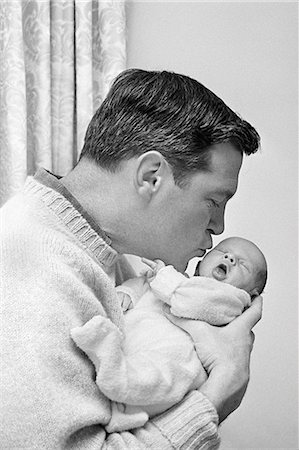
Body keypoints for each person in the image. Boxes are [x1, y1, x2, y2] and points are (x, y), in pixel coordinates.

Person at [0, 68, 263, 449]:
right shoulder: (28, 269)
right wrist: (221, 390)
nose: (219, 227)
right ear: (152, 176)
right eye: (215, 201)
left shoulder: (106, 256)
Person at [71, 237, 267, 433]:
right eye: (223, 251)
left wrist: (165, 278)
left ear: (251, 296)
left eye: (243, 264)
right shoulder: (172, 280)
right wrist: (126, 293)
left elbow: (194, 301)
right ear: (199, 265)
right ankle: (124, 411)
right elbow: (142, 284)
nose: (230, 258)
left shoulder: (231, 303)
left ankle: (118, 381)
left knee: (161, 377)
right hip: (133, 344)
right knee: (135, 371)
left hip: (175, 357)